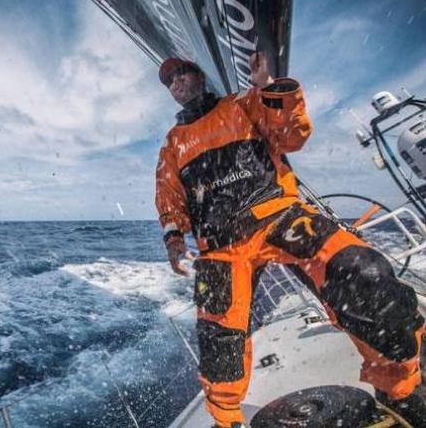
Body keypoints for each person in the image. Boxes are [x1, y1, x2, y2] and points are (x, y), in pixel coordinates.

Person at [155, 54, 425, 428]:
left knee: (364, 273)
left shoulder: (244, 104)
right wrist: (172, 235)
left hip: (277, 214)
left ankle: (402, 390)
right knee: (218, 337)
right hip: (220, 246)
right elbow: (169, 195)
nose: (176, 82)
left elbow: (293, 136)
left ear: (199, 76)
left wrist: (268, 88)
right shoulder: (173, 144)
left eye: (181, 73)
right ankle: (226, 420)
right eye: (169, 81)